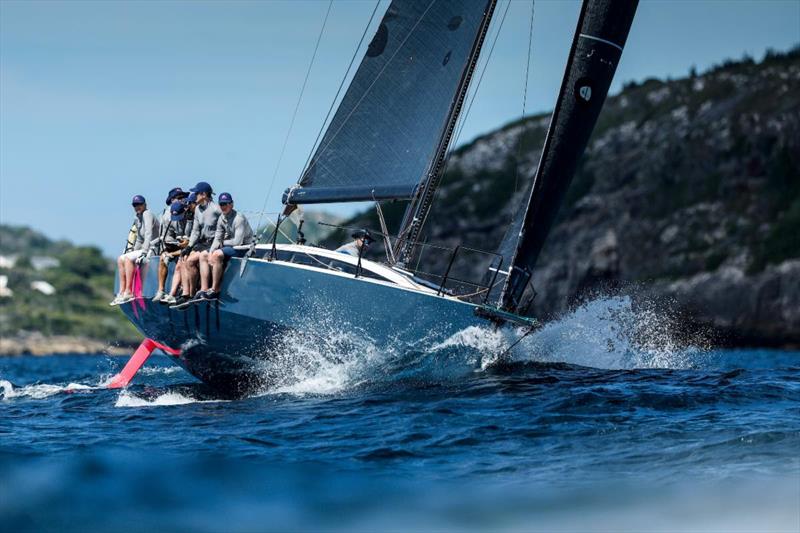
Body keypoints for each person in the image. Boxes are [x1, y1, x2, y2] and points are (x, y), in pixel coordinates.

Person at [174, 181, 221, 306]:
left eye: (197, 193)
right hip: (202, 244)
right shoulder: (198, 211)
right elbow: (195, 231)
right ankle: (187, 294)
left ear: (204, 194)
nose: (194, 195)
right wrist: (189, 247)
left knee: (201, 257)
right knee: (185, 259)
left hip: (214, 243)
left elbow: (227, 222)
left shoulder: (216, 209)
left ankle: (203, 289)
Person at [203, 192, 254, 299]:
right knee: (204, 255)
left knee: (217, 255)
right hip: (232, 247)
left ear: (232, 204)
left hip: (244, 247)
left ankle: (215, 290)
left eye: (226, 204)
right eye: (221, 204)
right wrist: (211, 252)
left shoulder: (239, 218)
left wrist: (222, 244)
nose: (223, 207)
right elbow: (217, 237)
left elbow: (237, 242)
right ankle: (203, 288)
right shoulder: (221, 218)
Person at [111, 195, 160, 305]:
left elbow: (148, 234)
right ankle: (122, 292)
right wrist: (133, 251)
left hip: (153, 248)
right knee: (120, 259)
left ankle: (129, 291)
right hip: (145, 248)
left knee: (128, 259)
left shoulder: (147, 214)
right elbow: (139, 238)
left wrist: (143, 252)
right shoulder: (137, 217)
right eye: (135, 205)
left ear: (145, 204)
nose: (137, 207)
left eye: (139, 204)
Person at [153, 200, 191, 303]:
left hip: (190, 248)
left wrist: (185, 243)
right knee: (163, 257)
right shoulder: (170, 220)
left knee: (181, 263)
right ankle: (161, 290)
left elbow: (190, 242)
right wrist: (168, 251)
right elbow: (168, 238)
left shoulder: (190, 219)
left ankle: (174, 294)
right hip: (179, 246)